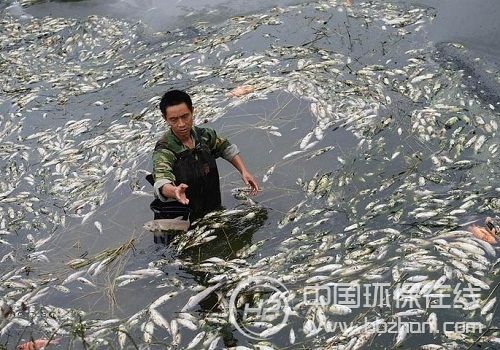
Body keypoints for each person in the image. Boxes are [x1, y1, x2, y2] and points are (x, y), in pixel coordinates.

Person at [150, 90, 259, 222]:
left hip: (211, 203)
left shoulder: (204, 135)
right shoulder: (164, 149)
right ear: (165, 119)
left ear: (192, 111)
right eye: (174, 120)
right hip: (182, 215)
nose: (181, 124)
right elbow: (161, 181)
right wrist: (175, 191)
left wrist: (244, 171)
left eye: (185, 116)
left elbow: (225, 147)